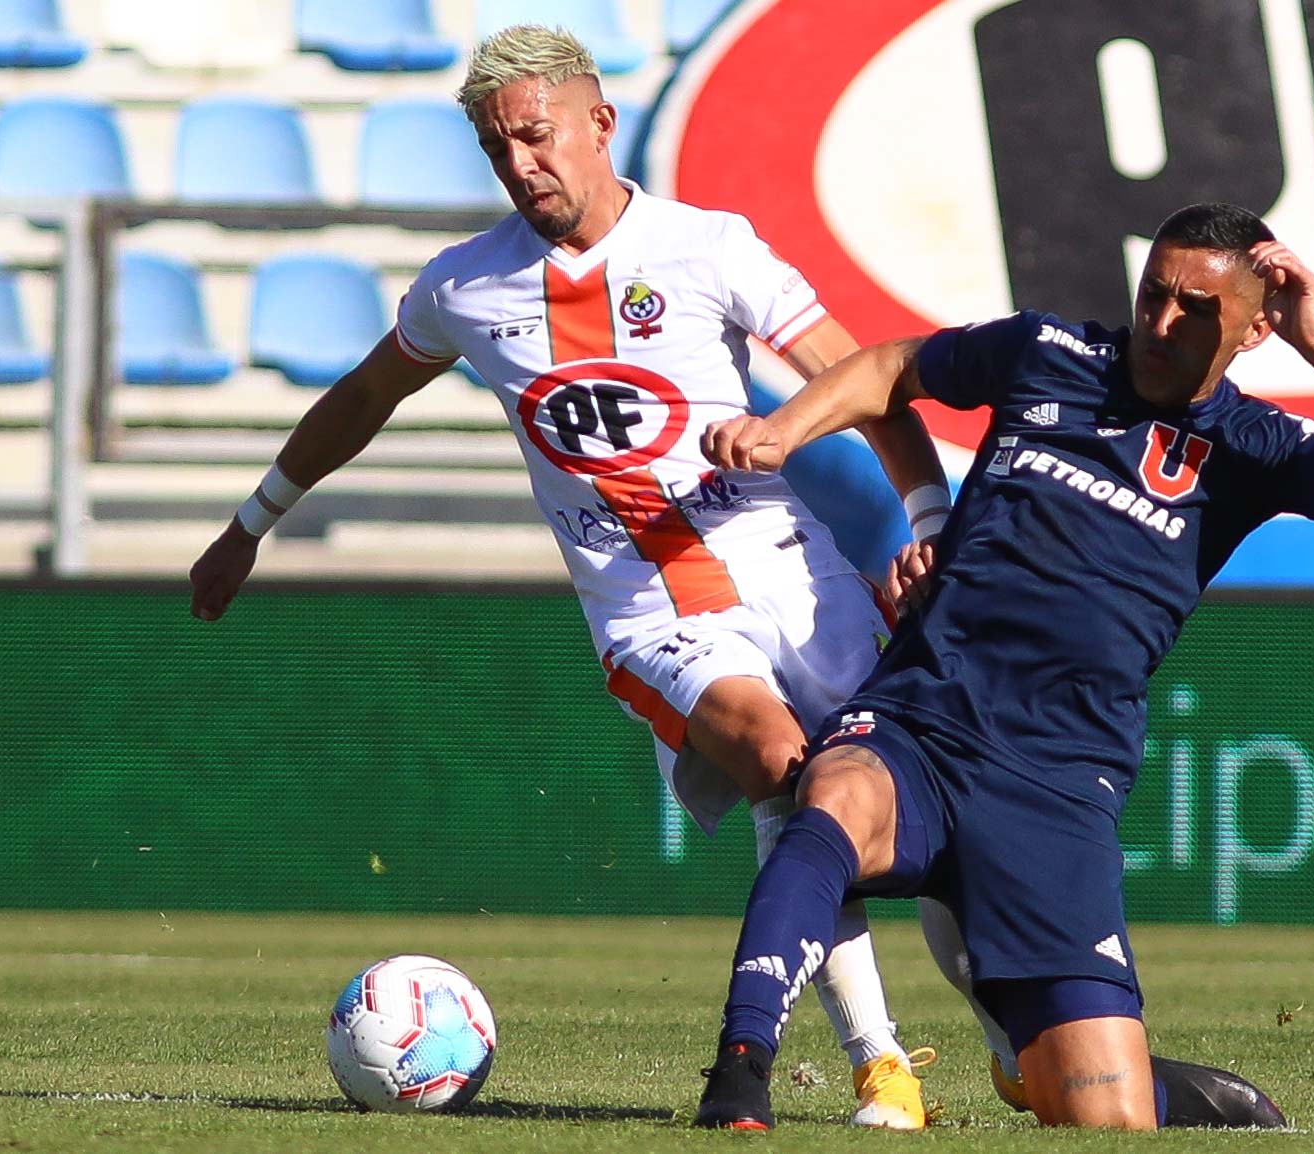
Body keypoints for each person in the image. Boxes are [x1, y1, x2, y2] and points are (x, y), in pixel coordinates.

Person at [186, 23, 953, 1129]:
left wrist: (923, 520)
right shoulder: (467, 286)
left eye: (538, 137)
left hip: (796, 575)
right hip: (650, 613)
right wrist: (253, 520)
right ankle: (879, 1058)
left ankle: (1015, 1039)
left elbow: (866, 379)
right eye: (501, 150)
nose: (523, 165)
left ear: (599, 122)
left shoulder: (710, 247)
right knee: (784, 761)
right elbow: (363, 395)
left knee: (915, 803)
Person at [693, 202, 1314, 1129]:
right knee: (833, 795)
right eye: (1153, 295)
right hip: (925, 719)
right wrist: (788, 435)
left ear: (1255, 325)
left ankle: (1150, 1083)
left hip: (1059, 782)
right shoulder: (1047, 351)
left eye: (1195, 309)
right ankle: (740, 1072)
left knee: (1105, 1121)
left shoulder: (1252, 449)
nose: (1161, 323)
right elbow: (894, 367)